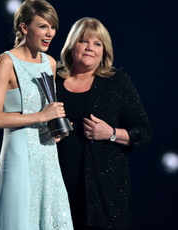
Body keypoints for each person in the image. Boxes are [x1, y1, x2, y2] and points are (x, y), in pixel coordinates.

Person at [56, 17, 153, 230]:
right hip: (57, 189)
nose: (90, 47)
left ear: (104, 51)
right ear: (72, 46)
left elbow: (144, 131)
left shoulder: (117, 82)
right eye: (83, 41)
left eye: (97, 43)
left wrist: (110, 133)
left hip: (104, 196)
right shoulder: (53, 81)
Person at [0, 0, 74, 229]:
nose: (50, 33)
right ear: (24, 28)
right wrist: (41, 116)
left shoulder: (50, 63)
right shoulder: (6, 61)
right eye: (43, 26)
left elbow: (47, 112)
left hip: (47, 156)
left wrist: (54, 129)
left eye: (53, 27)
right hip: (18, 156)